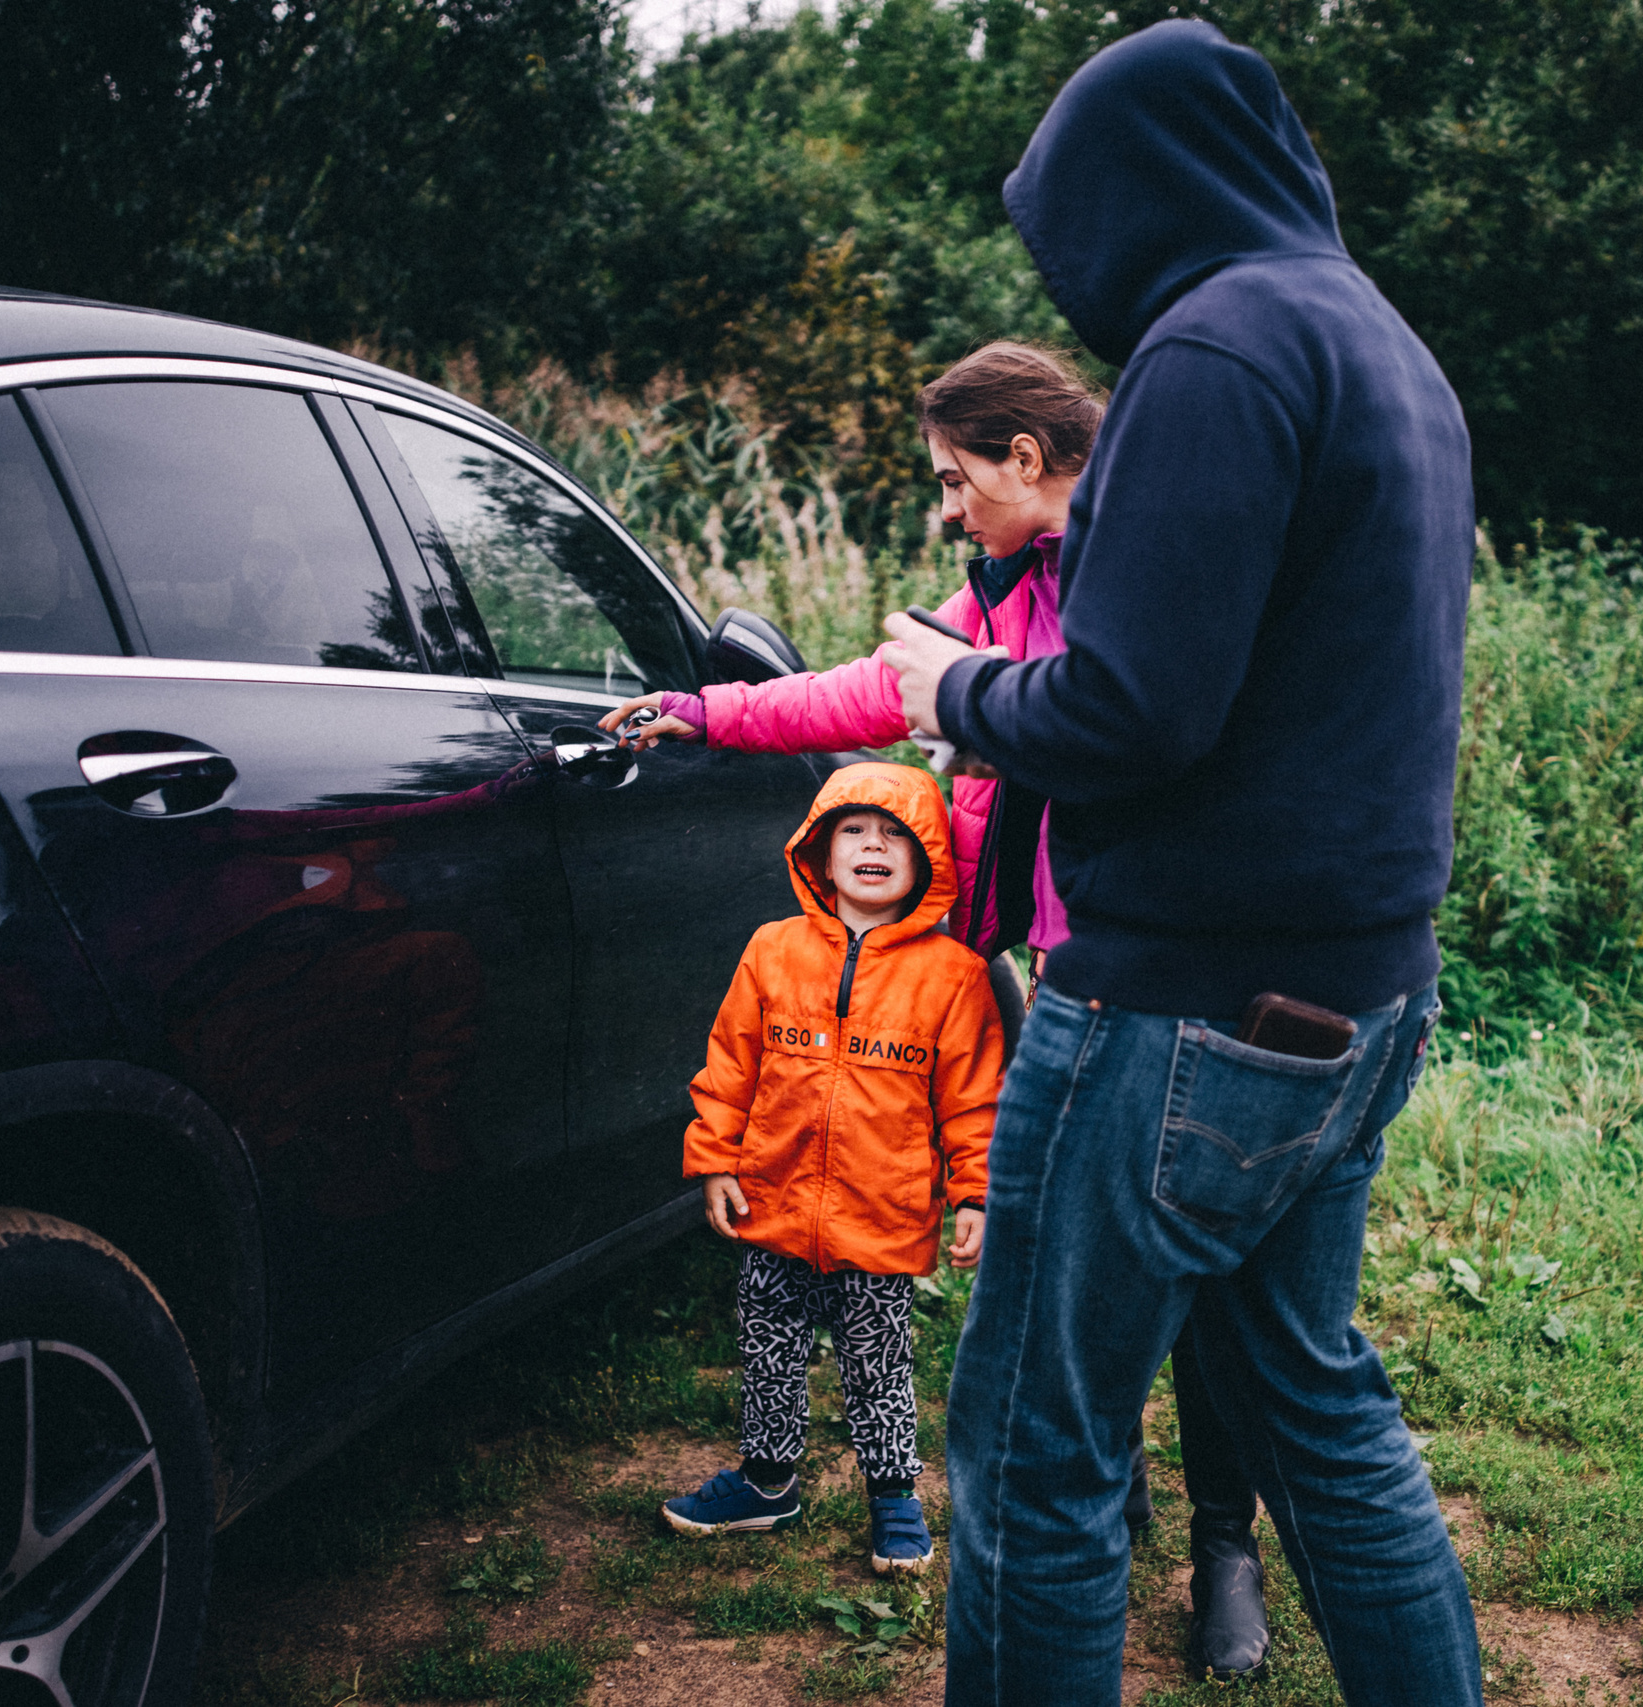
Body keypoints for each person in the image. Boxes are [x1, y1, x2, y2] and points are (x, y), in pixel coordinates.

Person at [879, 20, 1485, 1707]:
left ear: (1130, 197)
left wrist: (959, 690)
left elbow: (1136, 705)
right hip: (1364, 990)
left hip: (1183, 1007)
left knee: (1035, 1448)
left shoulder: (1213, 350)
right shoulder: (1385, 348)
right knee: (1320, 1405)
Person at [604, 343, 1282, 1676]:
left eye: (954, 478)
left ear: (1025, 459)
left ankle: (1225, 1547)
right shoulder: (1006, 593)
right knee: (1080, 1264)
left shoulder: (1147, 576)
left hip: (1179, 978)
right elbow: (864, 693)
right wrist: (708, 711)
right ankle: (1118, 1487)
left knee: (1199, 1275)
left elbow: (1154, 743)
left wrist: (996, 721)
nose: (948, 506)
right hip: (1059, 979)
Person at [658, 763, 1005, 1577]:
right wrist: (714, 1157)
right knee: (769, 1347)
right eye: (853, 830)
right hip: (771, 1206)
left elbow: (973, 1098)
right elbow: (729, 1063)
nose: (873, 846)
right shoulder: (771, 950)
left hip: (878, 1218)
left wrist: (977, 1193)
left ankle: (893, 1495)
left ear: (929, 861)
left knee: (877, 1359)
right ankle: (767, 1479)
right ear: (817, 850)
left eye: (895, 835)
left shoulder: (953, 976)